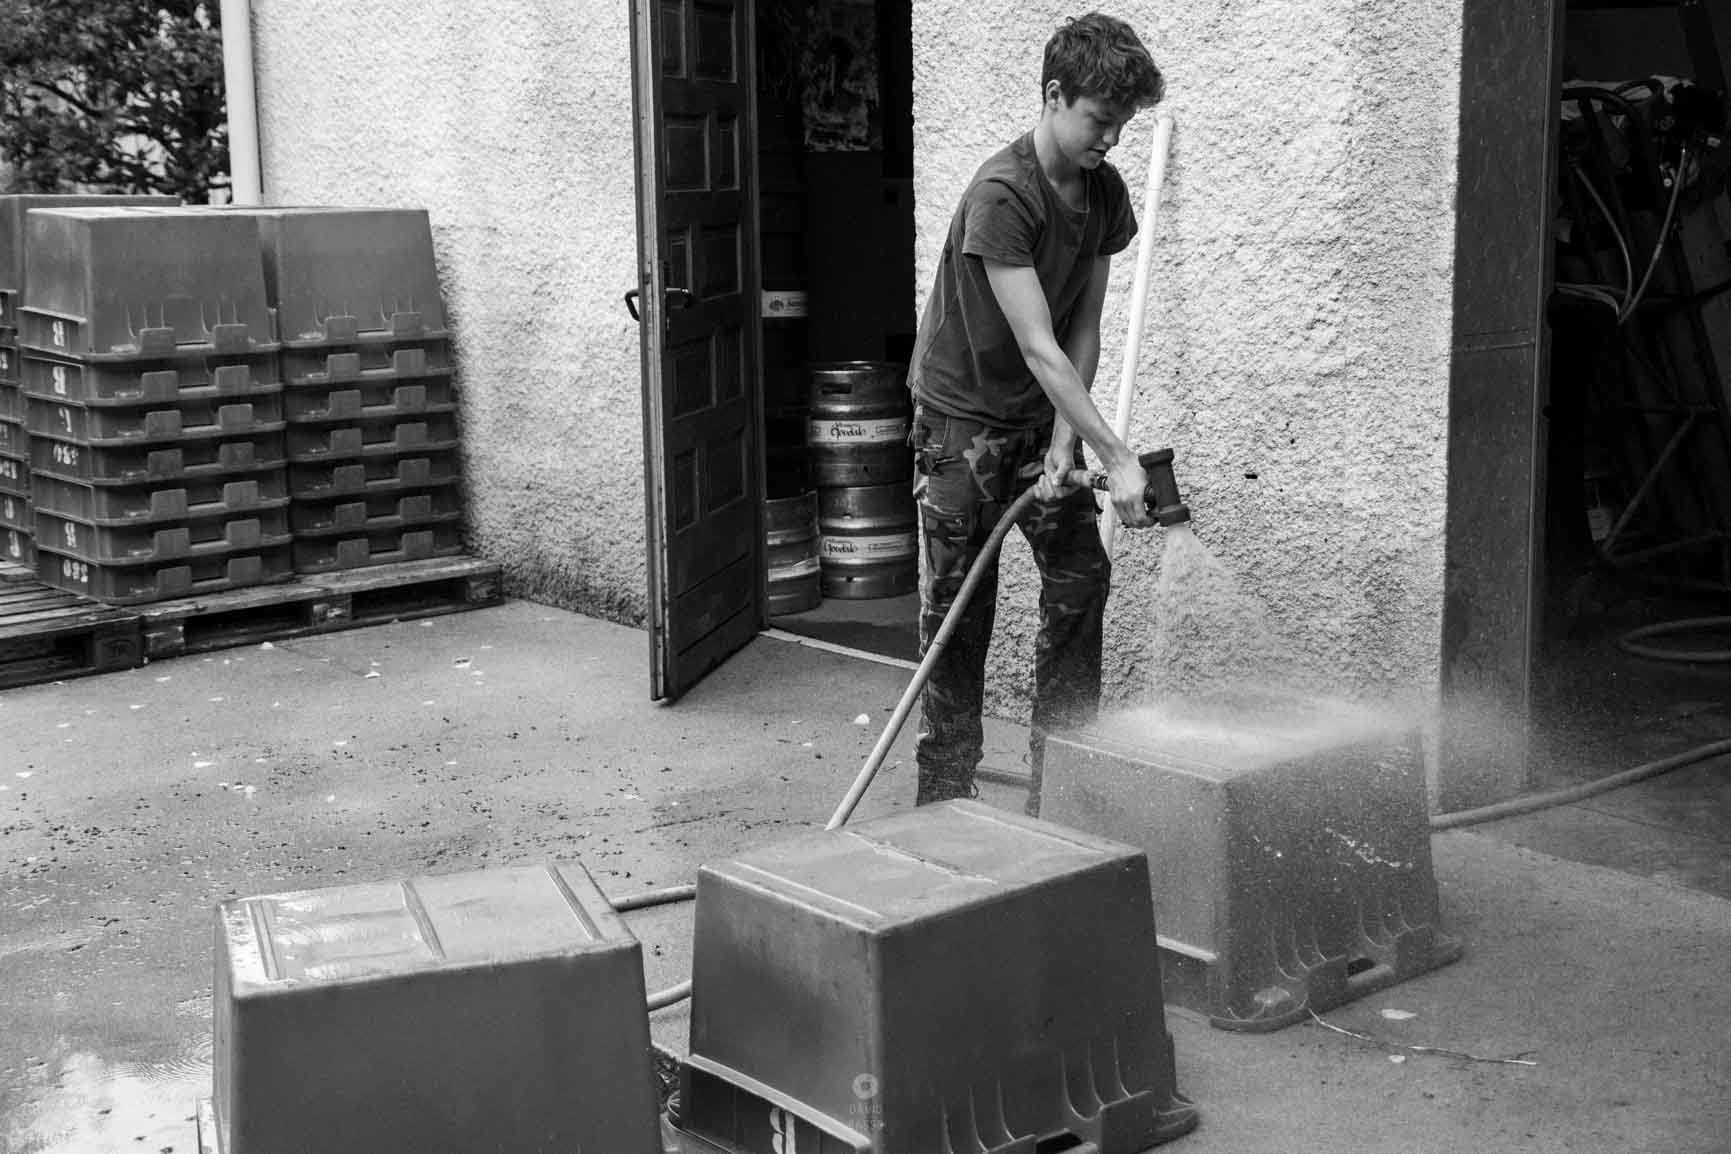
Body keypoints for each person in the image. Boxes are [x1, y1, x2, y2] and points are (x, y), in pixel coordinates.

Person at [907, 12, 1165, 810]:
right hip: (960, 424)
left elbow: (1080, 327)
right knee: (958, 612)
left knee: (1081, 577)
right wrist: (1116, 457)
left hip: (1037, 415)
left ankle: (1063, 785)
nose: (1112, 140)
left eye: (1123, 125)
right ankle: (944, 800)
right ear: (1054, 96)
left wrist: (1065, 442)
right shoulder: (1001, 194)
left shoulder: (1102, 192)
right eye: (1099, 120)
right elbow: (1035, 345)